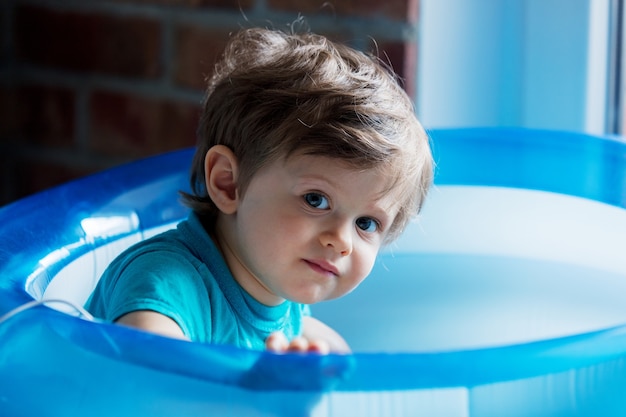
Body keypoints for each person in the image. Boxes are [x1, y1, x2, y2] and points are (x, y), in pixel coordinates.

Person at [85, 26, 433, 354]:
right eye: (316, 200)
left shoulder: (276, 281)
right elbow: (152, 381)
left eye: (366, 224)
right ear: (228, 183)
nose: (341, 241)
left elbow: (302, 332)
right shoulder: (165, 283)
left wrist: (334, 361)